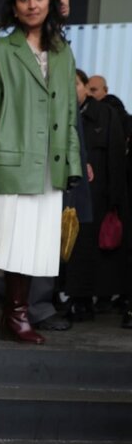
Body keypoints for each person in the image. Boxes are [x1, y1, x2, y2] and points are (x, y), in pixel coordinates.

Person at [0, 0, 82, 343]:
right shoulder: (0, 51)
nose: (32, 3)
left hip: (50, 163)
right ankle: (15, 315)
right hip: (12, 160)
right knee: (14, 240)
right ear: (14, 7)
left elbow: (69, 115)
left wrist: (73, 162)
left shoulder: (63, 53)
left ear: (50, 2)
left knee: (36, 242)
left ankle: (14, 317)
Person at [66, 69, 129, 322]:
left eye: (76, 84)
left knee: (93, 251)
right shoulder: (61, 113)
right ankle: (74, 299)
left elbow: (115, 157)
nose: (72, 89)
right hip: (70, 195)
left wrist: (115, 199)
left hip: (98, 197)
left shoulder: (106, 114)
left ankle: (88, 301)